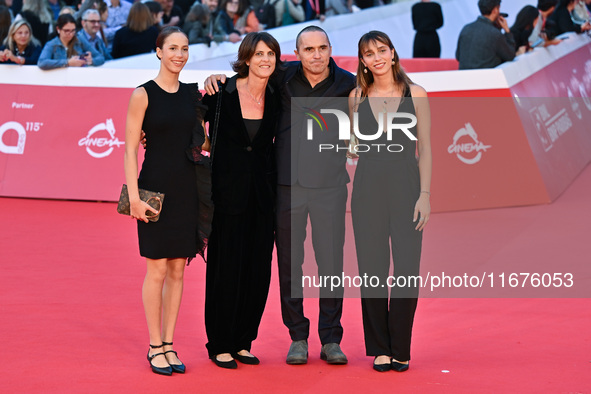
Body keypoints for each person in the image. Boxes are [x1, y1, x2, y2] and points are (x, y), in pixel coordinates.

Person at [204, 25, 355, 366]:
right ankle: (297, 336)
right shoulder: (282, 77)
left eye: (322, 48)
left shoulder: (348, 83)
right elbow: (247, 76)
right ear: (297, 53)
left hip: (330, 186)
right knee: (290, 266)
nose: (316, 55)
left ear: (330, 49)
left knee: (331, 265)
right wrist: (218, 78)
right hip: (286, 187)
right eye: (308, 49)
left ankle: (331, 338)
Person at [124, 25, 208, 376]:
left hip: (187, 188)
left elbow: (202, 143)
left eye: (185, 48)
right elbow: (129, 149)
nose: (179, 54)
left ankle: (170, 344)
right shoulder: (143, 94)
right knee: (156, 268)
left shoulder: (193, 94)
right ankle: (154, 344)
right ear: (158, 51)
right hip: (154, 189)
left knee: (178, 269)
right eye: (172, 48)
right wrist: (133, 198)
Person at [348, 30, 431, 373]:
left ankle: (401, 346)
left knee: (407, 269)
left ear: (393, 54)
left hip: (407, 185)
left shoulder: (417, 94)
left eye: (382, 50)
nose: (377, 57)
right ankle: (380, 347)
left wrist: (425, 195)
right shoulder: (356, 96)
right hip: (367, 185)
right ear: (363, 62)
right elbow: (353, 144)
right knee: (372, 269)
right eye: (369, 53)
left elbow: (424, 149)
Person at [202, 31, 281, 369]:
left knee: (257, 269)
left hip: (263, 197)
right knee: (225, 268)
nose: (265, 59)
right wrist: (203, 146)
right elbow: (188, 120)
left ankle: (243, 340)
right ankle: (219, 342)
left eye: (271, 54)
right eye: (259, 53)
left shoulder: (279, 94)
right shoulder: (221, 92)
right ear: (246, 58)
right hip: (226, 195)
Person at [455, 0, 515, 70]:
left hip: (464, 77)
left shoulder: (466, 28)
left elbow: (458, 56)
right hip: (487, 78)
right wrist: (507, 32)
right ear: (495, 10)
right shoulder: (495, 34)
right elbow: (510, 56)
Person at [38, 13, 105, 69]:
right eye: (66, 31)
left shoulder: (79, 39)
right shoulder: (52, 44)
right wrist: (67, 63)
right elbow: (42, 62)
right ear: (58, 29)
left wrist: (91, 61)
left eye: (73, 30)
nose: (70, 34)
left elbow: (100, 57)